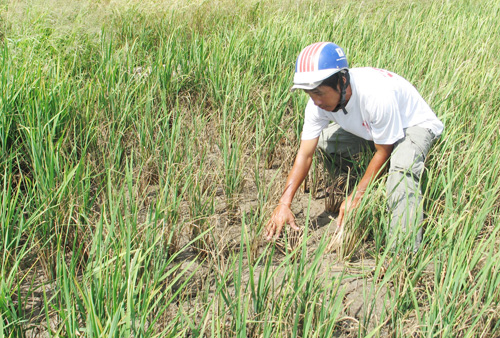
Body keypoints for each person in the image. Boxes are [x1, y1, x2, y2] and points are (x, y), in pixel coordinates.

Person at [265, 42, 444, 252]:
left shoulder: (375, 95)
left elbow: (384, 152)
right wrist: (284, 203)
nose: (315, 102)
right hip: (374, 129)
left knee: (401, 174)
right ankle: (348, 187)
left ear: (341, 81)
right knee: (325, 143)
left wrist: (359, 196)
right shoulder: (317, 104)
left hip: (411, 125)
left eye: (319, 93)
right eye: (309, 94)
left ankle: (403, 254)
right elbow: (305, 155)